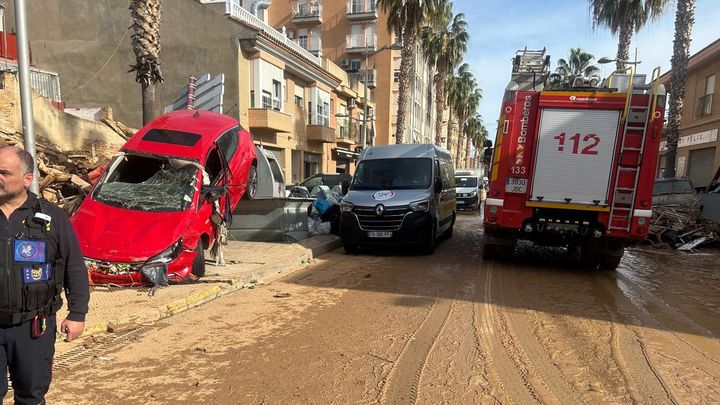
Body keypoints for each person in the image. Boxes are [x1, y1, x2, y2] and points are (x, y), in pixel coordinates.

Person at [0, 146, 89, 404]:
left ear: (27, 179)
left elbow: (74, 265)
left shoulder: (50, 217)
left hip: (33, 326)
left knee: (31, 393)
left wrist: (77, 313)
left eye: (4, 172)